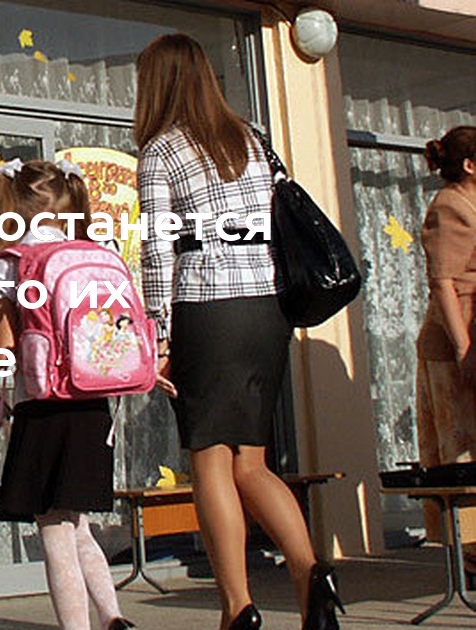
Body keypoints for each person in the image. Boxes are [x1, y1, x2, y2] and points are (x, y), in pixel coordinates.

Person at [135, 33, 342, 630]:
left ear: (157, 84)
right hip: (267, 311)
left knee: (209, 463)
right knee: (251, 463)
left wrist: (158, 333)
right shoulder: (252, 138)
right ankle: (312, 577)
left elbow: (158, 250)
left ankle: (237, 607)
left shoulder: (161, 150)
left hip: (208, 309)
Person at [0, 159, 132, 630]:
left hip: (43, 406)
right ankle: (113, 617)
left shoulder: (9, 264)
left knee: (54, 530)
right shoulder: (98, 251)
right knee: (77, 522)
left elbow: (4, 348)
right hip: (95, 402)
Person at [416, 126, 476, 583]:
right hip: (457, 341)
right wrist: (464, 351)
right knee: (463, 451)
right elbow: (443, 283)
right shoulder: (451, 206)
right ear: (470, 166)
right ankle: (472, 557)